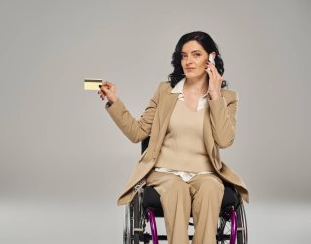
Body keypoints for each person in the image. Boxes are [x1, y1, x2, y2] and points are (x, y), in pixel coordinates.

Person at [98, 31, 249, 244]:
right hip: (164, 173)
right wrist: (114, 101)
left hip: (205, 173)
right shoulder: (165, 91)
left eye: (196, 55)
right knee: (176, 189)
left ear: (211, 58)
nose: (188, 61)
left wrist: (215, 95)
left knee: (211, 188)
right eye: (183, 56)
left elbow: (224, 140)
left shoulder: (227, 98)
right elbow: (137, 132)